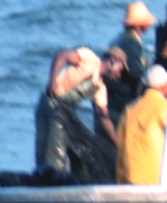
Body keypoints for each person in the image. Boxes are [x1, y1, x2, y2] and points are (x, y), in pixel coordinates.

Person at [35, 47, 118, 179]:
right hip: (51, 104)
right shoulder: (89, 58)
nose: (119, 75)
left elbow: (104, 118)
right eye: (121, 70)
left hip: (65, 114)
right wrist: (53, 80)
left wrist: (117, 143)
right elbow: (61, 55)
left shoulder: (100, 88)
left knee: (81, 151)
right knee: (52, 157)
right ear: (113, 62)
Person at [116, 65, 167, 185]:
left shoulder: (128, 110)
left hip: (132, 182)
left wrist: (121, 181)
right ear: (162, 87)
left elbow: (121, 150)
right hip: (163, 183)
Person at [113, 2, 156, 104]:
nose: (149, 23)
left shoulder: (123, 38)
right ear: (140, 24)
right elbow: (135, 74)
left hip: (115, 94)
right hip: (122, 97)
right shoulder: (131, 43)